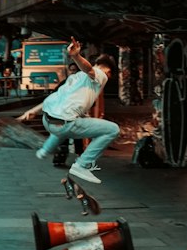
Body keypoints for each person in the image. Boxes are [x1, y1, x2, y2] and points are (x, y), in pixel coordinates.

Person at [22, 38, 118, 185]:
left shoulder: (74, 78)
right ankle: (82, 165)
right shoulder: (101, 74)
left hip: (48, 120)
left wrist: (33, 111)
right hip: (64, 124)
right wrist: (76, 56)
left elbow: (56, 97)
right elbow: (89, 69)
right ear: (108, 70)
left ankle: (45, 150)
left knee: (69, 123)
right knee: (112, 130)